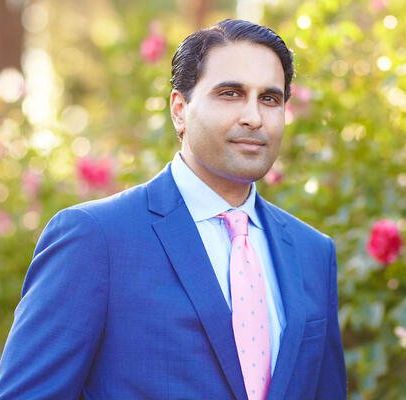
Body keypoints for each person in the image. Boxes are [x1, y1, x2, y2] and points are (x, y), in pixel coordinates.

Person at [0, 19, 347, 400]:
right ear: (180, 109)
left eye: (269, 99)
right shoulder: (96, 239)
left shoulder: (313, 252)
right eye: (230, 94)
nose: (254, 116)